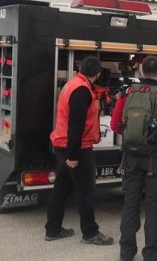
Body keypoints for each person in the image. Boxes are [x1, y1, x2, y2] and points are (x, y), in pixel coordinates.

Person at [111, 56, 157, 261]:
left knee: (130, 203)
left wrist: (132, 136)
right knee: (152, 206)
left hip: (130, 157)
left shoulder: (126, 93)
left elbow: (115, 125)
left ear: (140, 71)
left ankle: (126, 253)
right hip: (155, 159)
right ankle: (151, 255)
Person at [46, 56, 113, 245]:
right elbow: (76, 125)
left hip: (62, 143)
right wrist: (73, 155)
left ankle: (53, 229)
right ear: (98, 74)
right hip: (76, 148)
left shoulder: (73, 83)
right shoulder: (82, 90)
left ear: (80, 69)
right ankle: (90, 233)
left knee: (61, 187)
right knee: (86, 190)